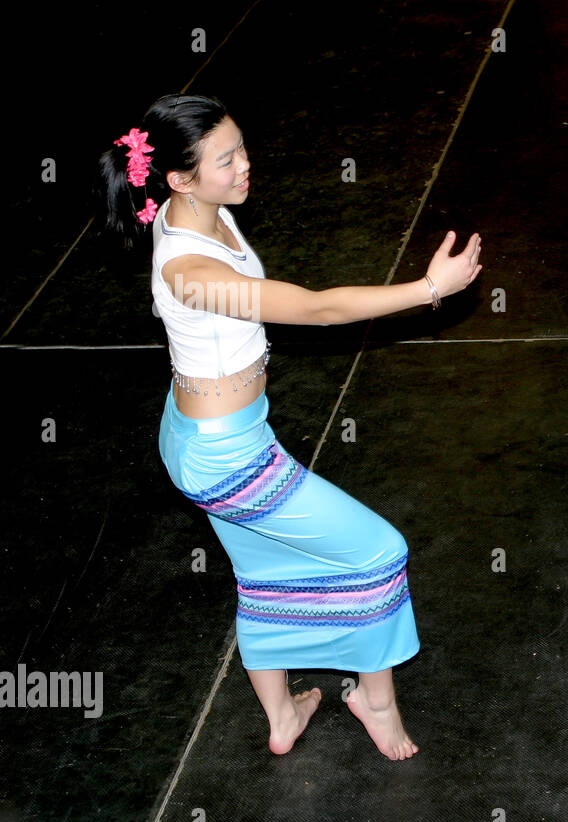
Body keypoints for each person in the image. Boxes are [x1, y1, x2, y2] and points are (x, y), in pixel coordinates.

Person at [97, 94, 481, 760]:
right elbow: (320, 309)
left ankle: (283, 716)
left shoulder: (197, 208)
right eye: (227, 160)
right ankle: (375, 703)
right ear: (178, 178)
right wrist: (429, 289)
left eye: (242, 147)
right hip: (225, 455)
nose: (246, 166)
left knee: (264, 567)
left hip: (209, 431)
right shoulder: (189, 270)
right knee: (378, 553)